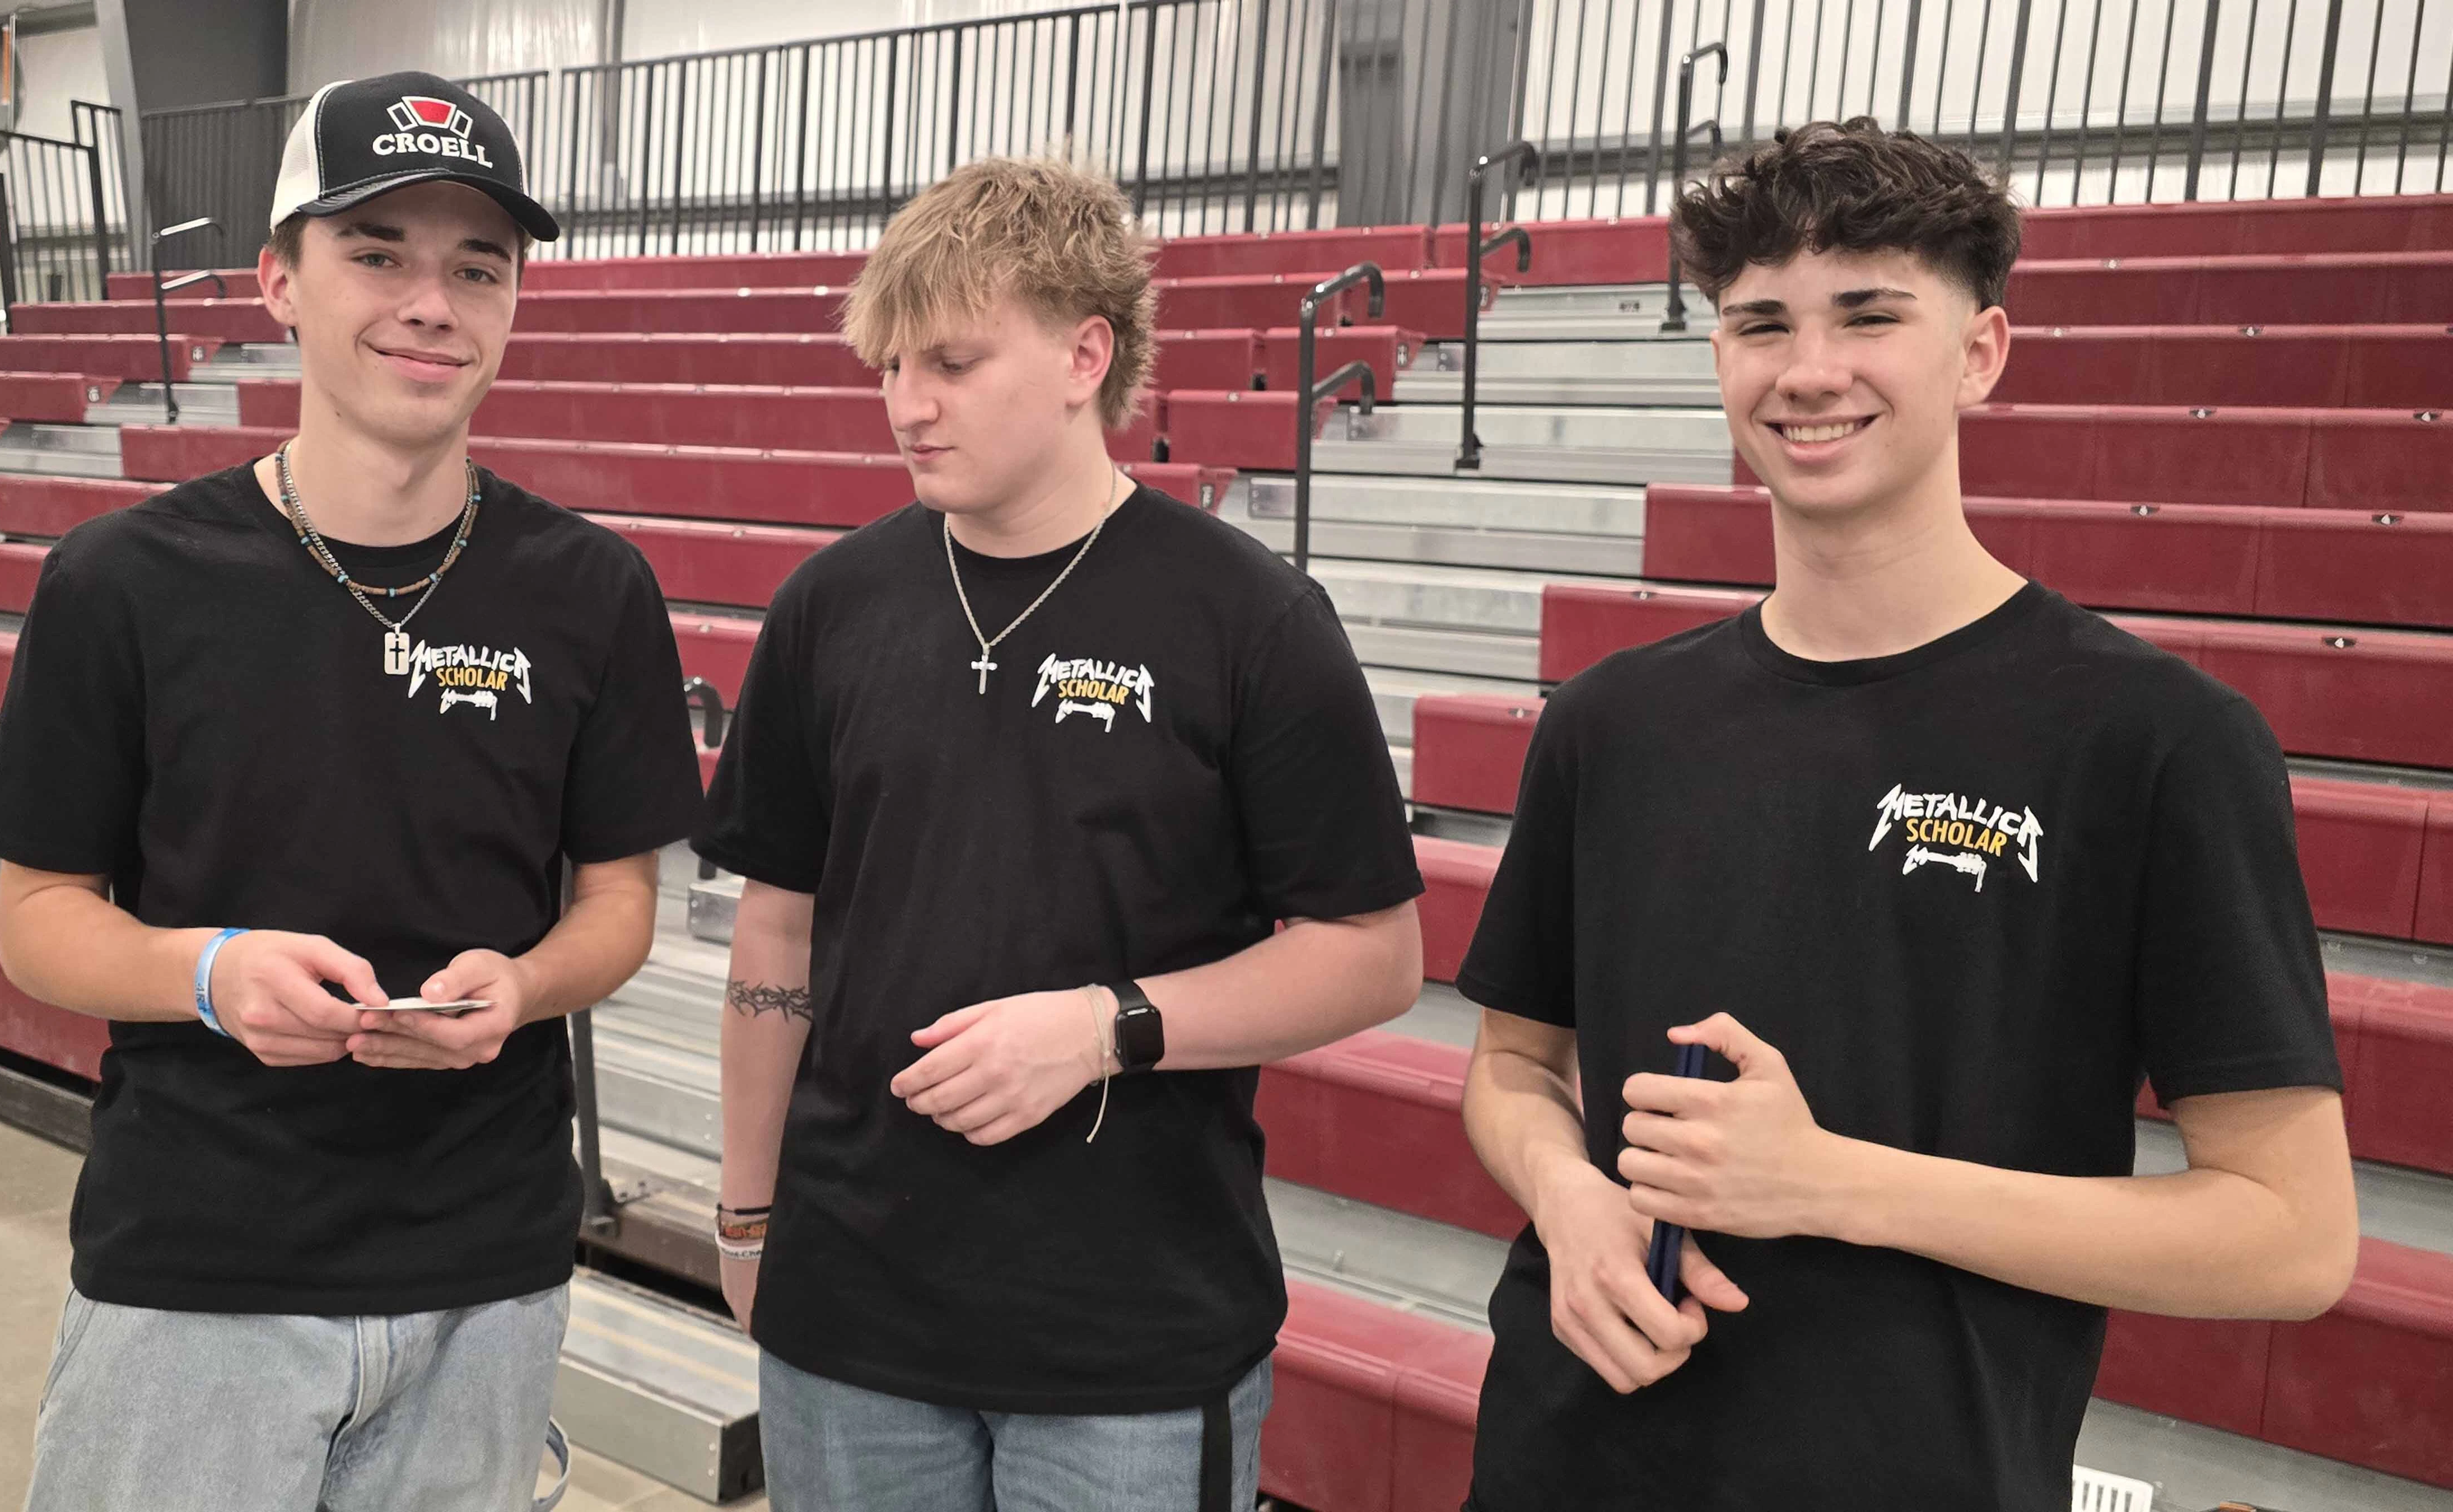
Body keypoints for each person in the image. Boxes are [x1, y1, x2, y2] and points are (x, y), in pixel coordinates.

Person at [1454, 119, 2359, 1510]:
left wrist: (1827, 1183)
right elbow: (1511, 1070)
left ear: (1980, 352)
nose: (1809, 372)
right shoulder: (1613, 720)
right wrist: (1568, 1201)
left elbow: (2293, 1240)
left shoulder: (2157, 742)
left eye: (1870, 315)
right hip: (1565, 1457)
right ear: (1720, 362)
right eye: (1762, 325)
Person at [0, 71, 705, 1511]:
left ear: (512, 306)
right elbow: (38, 920)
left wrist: (529, 987)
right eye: (377, 253)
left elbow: (618, 904)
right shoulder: (123, 583)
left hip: (484, 1275)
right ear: (277, 283)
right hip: (198, 1266)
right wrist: (212, 970)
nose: (431, 302)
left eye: (475, 267)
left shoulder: (594, 591)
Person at [696, 155, 1428, 1512]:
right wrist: (746, 1213)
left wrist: (1107, 1027)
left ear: (1087, 353)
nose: (908, 407)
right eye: (890, 367)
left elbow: (1372, 955)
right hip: (851, 1312)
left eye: (953, 364)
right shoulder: (831, 608)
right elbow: (778, 923)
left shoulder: (1248, 619)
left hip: (1130, 1336)